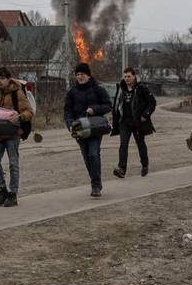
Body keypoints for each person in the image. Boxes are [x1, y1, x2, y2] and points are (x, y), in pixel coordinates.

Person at [0, 67, 34, 207]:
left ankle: (13, 194)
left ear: (8, 79)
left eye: (2, 78)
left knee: (13, 164)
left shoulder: (17, 93)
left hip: (13, 134)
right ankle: (2, 190)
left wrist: (19, 116)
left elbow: (29, 112)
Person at [64, 63, 112, 198]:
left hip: (95, 128)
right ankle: (95, 181)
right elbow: (67, 111)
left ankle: (96, 186)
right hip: (79, 129)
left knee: (93, 154)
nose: (80, 77)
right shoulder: (72, 92)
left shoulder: (98, 89)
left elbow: (108, 106)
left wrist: (94, 109)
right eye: (77, 74)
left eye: (82, 74)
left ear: (88, 75)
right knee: (86, 157)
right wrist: (69, 124)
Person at [111, 67, 156, 178]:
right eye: (125, 76)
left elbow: (152, 102)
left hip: (137, 122)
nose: (127, 79)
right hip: (124, 122)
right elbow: (116, 104)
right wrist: (115, 118)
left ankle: (145, 165)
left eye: (129, 76)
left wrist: (146, 115)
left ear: (134, 76)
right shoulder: (121, 88)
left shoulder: (141, 88)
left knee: (140, 144)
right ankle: (122, 169)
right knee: (123, 145)